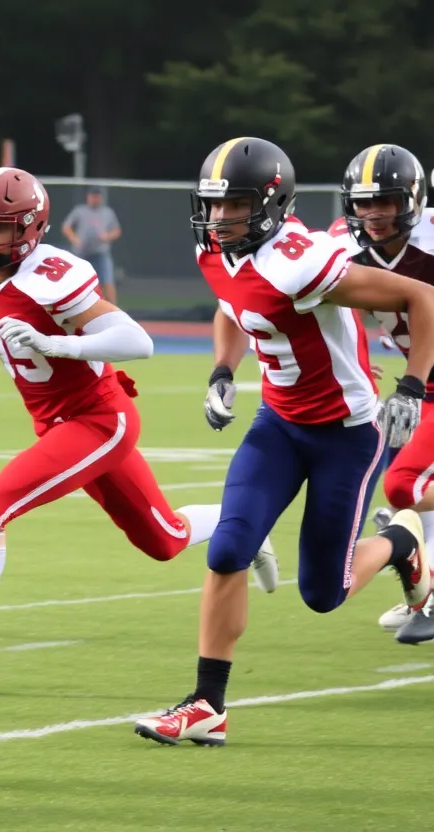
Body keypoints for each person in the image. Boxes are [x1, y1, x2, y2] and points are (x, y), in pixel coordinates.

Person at [0, 167, 258, 689]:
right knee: (164, 539)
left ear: (29, 229)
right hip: (57, 422)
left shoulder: (51, 275)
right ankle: (246, 524)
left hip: (98, 418)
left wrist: (59, 343)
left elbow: (137, 341)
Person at [134, 137, 434, 747]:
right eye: (215, 204)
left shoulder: (301, 260)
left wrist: (410, 386)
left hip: (346, 435)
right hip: (277, 423)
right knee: (228, 549)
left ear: (270, 205)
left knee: (324, 593)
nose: (220, 217)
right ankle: (207, 704)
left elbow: (420, 295)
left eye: (236, 205)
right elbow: (231, 307)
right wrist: (223, 371)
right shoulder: (215, 249)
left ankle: (402, 542)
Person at [330, 144, 434, 643]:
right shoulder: (341, 246)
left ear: (411, 200)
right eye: (364, 202)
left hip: (423, 383)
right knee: (407, 494)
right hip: (421, 382)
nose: (373, 213)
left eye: (386, 201)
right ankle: (427, 592)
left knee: (404, 487)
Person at [62, 185, 122, 303]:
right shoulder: (80, 210)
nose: (95, 198)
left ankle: (114, 309)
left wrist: (107, 236)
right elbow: (66, 227)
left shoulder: (107, 212)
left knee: (107, 281)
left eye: (97, 196)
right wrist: (74, 239)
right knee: (75, 282)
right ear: (88, 197)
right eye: (93, 196)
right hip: (80, 253)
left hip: (100, 252)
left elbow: (117, 231)